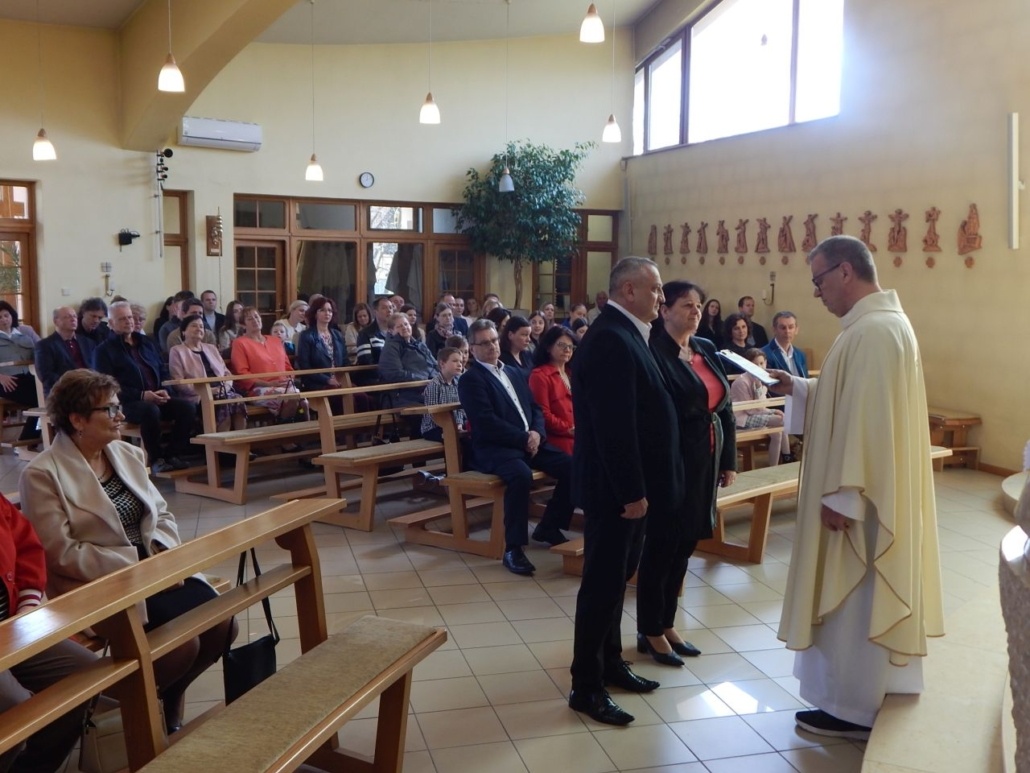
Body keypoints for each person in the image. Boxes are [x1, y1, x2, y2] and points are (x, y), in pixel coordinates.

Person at [769, 235, 944, 740]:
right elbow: (851, 397)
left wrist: (843, 497)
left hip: (861, 500)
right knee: (860, 598)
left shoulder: (874, 331)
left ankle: (852, 707)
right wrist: (801, 388)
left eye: (819, 280)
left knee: (855, 596)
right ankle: (872, 693)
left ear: (845, 271)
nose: (817, 292)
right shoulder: (878, 325)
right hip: (869, 490)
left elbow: (868, 421)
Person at [19, 369, 238, 735]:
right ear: (77, 420)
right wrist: (138, 566)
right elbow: (61, 553)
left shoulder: (127, 453)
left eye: (118, 406)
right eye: (109, 409)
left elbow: (161, 513)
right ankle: (137, 711)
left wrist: (161, 553)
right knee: (180, 646)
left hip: (156, 568)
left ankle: (170, 695)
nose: (120, 415)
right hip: (98, 585)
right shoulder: (42, 474)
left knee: (223, 625)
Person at [568, 256, 684, 727]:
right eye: (655, 289)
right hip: (616, 492)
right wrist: (631, 491)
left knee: (617, 583)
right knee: (602, 586)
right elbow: (613, 427)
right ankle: (586, 687)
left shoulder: (630, 333)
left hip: (630, 490)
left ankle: (611, 663)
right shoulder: (611, 339)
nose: (662, 297)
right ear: (629, 290)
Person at [638, 280, 736, 667]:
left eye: (698, 305)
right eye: (686, 305)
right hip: (672, 460)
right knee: (663, 545)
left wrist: (728, 460)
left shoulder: (705, 347)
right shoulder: (653, 351)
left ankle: (667, 622)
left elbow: (725, 408)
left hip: (706, 460)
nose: (695, 311)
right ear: (664, 311)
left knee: (686, 544)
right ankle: (649, 629)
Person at [459, 320, 575, 574]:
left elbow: (535, 409)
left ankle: (549, 526)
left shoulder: (514, 372)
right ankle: (513, 548)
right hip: (496, 448)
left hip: (530, 442)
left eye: (493, 340)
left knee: (574, 466)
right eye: (484, 343)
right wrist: (524, 439)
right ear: (472, 348)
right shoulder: (471, 380)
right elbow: (486, 422)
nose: (491, 346)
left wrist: (537, 433)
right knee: (521, 476)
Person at [0, 491, 96, 773]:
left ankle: (33, 768)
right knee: (15, 707)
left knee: (83, 673)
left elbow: (26, 547)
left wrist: (27, 606)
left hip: (10, 626)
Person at [94, 301, 194, 472]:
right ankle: (156, 459)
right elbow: (107, 388)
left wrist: (165, 390)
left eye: (130, 317)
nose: (128, 321)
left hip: (155, 397)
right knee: (150, 410)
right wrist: (141, 395)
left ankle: (172, 454)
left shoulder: (146, 342)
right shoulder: (103, 351)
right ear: (110, 323)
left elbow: (162, 369)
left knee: (187, 407)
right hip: (122, 404)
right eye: (122, 319)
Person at [168, 314, 246, 432]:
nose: (199, 329)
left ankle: (240, 439)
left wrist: (225, 387)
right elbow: (178, 382)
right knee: (223, 403)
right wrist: (208, 391)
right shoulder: (177, 351)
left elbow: (226, 373)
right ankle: (221, 442)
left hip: (222, 391)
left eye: (201, 326)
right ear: (183, 331)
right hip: (197, 396)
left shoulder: (211, 348)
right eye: (194, 326)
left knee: (237, 400)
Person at [230, 306, 299, 421]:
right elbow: (241, 373)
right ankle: (284, 428)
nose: (255, 320)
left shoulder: (275, 340)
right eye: (250, 319)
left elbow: (288, 367)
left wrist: (288, 380)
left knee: (303, 402)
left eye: (256, 317)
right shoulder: (240, 343)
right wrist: (268, 384)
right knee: (292, 398)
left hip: (284, 386)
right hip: (259, 389)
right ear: (243, 325)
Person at [730, 348, 790, 465]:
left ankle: (775, 465)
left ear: (765, 363)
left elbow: (761, 405)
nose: (759, 367)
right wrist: (771, 412)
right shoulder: (742, 382)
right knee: (782, 420)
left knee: (777, 432)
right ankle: (788, 456)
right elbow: (750, 409)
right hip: (741, 418)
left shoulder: (763, 379)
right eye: (755, 364)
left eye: (761, 363)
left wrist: (772, 410)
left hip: (755, 413)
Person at [528, 326, 575, 455]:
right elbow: (543, 415)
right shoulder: (539, 375)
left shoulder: (572, 374)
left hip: (579, 437)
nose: (567, 350)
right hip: (556, 440)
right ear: (548, 347)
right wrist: (569, 429)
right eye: (561, 345)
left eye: (570, 347)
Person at [379, 312, 439, 410]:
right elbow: (395, 374)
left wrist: (436, 380)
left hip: (429, 389)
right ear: (391, 331)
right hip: (405, 395)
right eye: (399, 326)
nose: (404, 328)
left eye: (406, 324)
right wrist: (423, 381)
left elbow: (434, 365)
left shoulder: (420, 344)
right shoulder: (390, 348)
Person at [0, 301, 40, 441]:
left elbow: (41, 352)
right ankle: (27, 441)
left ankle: (38, 438)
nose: (4, 320)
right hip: (6, 381)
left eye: (6, 315)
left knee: (51, 396)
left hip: (29, 377)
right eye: (0, 317)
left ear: (12, 316)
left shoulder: (25, 333)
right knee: (40, 400)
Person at [35, 305, 97, 396]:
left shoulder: (88, 342)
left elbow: (95, 367)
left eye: (74, 316)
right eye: (67, 317)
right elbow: (46, 376)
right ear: (56, 321)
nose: (73, 319)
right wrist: (75, 383)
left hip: (90, 389)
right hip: (62, 392)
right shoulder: (45, 345)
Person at [295, 297, 347, 392]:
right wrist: (327, 380)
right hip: (317, 383)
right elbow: (305, 366)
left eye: (330, 310)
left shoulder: (338, 335)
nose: (327, 313)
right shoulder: (307, 336)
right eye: (322, 310)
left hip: (340, 381)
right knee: (349, 397)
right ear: (315, 314)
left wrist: (342, 378)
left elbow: (345, 361)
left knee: (362, 397)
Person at [763, 310, 809, 379]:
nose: (787, 331)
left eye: (791, 327)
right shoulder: (764, 354)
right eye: (783, 328)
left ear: (796, 330)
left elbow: (806, 380)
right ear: (774, 329)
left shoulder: (800, 355)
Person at [355, 296, 394, 368]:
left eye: (391, 307)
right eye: (384, 308)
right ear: (375, 312)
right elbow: (365, 363)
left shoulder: (397, 332)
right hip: (375, 373)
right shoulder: (365, 334)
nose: (389, 310)